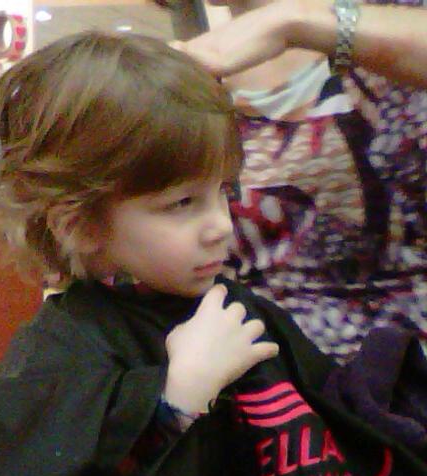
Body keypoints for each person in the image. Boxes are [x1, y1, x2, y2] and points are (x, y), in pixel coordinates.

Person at [0, 32, 427, 476]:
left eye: (223, 192)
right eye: (181, 204)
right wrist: (172, 399)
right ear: (80, 225)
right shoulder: (66, 350)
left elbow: (342, 420)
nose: (220, 226)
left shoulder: (237, 306)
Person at [161, 0, 427, 360]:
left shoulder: (393, 23)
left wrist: (292, 22)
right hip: (271, 371)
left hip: (409, 359)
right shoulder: (193, 80)